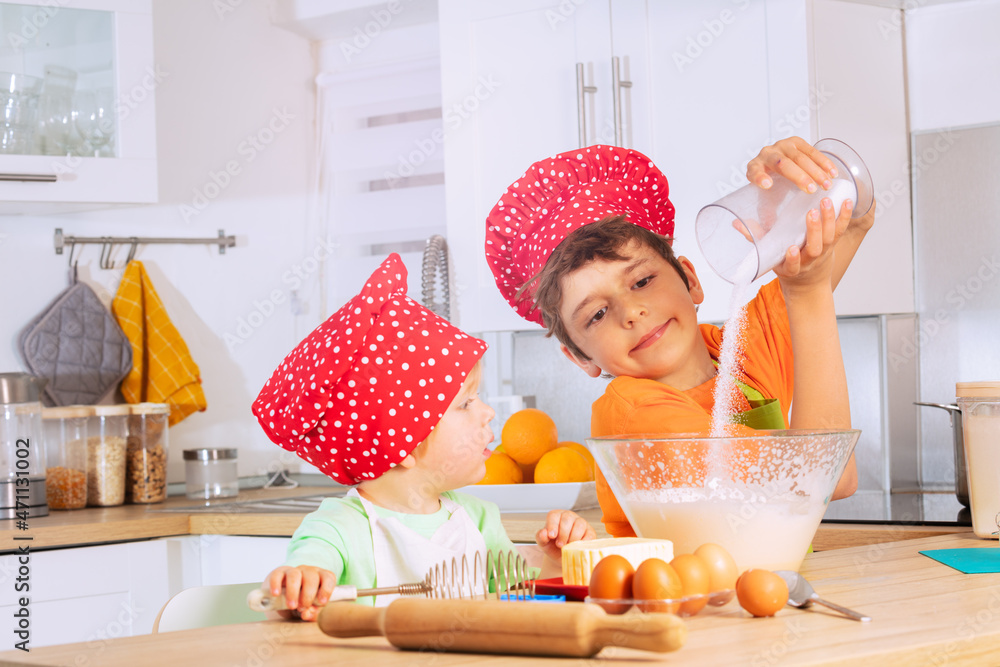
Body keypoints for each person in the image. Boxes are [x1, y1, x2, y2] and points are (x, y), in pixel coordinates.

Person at [484, 137, 873, 537]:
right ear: (580, 357)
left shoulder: (733, 352)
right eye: (597, 314)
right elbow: (818, 481)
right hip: (679, 600)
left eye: (642, 280)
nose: (631, 313)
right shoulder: (634, 414)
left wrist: (803, 187)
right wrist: (807, 291)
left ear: (690, 280)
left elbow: (853, 218)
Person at [252, 253, 595, 619]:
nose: (488, 412)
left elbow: (521, 598)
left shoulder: (479, 520)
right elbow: (307, 574)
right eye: (465, 404)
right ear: (401, 446)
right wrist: (303, 581)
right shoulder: (338, 527)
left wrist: (557, 561)